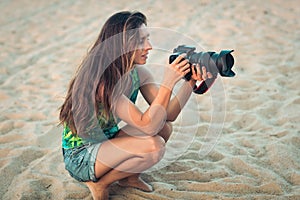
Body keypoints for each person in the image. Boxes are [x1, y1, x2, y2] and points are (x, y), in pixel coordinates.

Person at [59, 11, 213, 200]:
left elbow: (168, 115)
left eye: (147, 39)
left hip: (108, 141)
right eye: (141, 41)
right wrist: (168, 83)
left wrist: (189, 83)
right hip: (81, 156)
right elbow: (147, 125)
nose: (149, 47)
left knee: (164, 127)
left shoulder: (138, 72)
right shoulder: (103, 82)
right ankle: (100, 183)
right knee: (154, 146)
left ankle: (129, 177)